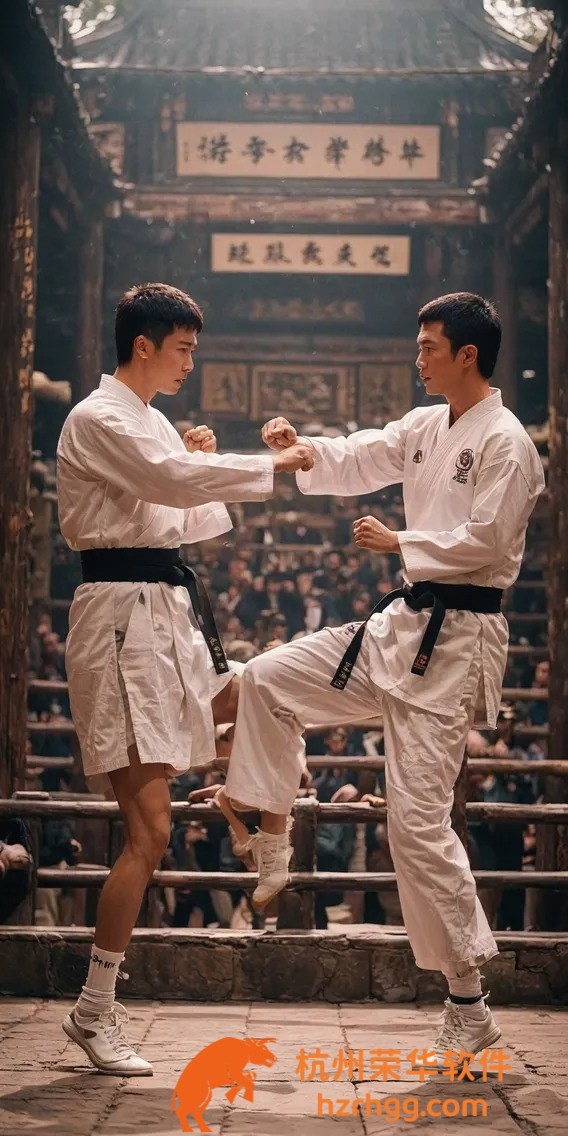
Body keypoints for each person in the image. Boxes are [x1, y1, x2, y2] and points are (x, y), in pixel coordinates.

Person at [217, 292, 545, 1066]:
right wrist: (305, 451)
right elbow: (364, 453)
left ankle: (469, 1003)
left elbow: (490, 539)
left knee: (417, 828)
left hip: (455, 642)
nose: (418, 357)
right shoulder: (429, 425)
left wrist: (402, 541)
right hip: (400, 627)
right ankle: (272, 835)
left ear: (467, 354)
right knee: (267, 677)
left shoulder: (505, 440)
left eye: (429, 346)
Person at [56, 282, 313, 1076]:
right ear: (145, 345)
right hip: (120, 619)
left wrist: (196, 464)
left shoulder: (154, 423)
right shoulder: (97, 418)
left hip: (166, 612)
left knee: (269, 686)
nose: (189, 362)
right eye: (183, 348)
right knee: (150, 835)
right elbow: (170, 486)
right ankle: (93, 1009)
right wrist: (251, 464)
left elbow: (189, 516)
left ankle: (260, 819)